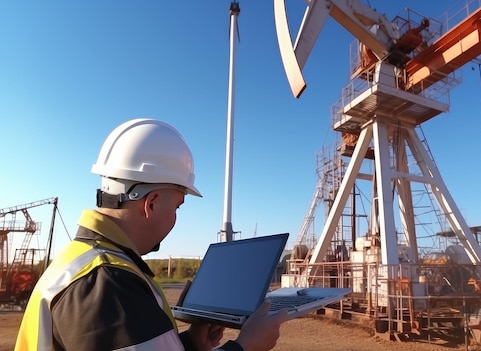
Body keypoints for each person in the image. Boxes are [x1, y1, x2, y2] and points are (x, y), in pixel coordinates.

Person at [15, 118, 288, 351]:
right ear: (152, 203)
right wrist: (246, 345)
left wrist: (192, 343)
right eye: (178, 206)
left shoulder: (87, 261)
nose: (175, 219)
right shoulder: (107, 283)